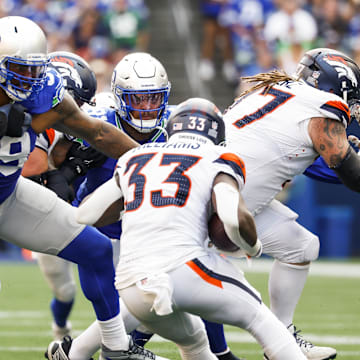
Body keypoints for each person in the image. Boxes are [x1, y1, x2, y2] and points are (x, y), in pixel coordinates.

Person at [76, 97, 308, 360]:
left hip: (132, 283)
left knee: (195, 344)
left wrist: (134, 205)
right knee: (262, 320)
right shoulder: (219, 156)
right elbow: (231, 217)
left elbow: (86, 214)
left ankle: (74, 353)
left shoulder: (134, 156)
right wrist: (252, 247)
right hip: (185, 267)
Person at [52, 52, 243, 360]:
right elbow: (56, 165)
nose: (146, 107)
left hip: (149, 229)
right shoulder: (98, 120)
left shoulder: (178, 124)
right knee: (130, 307)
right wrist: (71, 168)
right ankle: (84, 351)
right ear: (119, 98)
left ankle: (215, 351)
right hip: (101, 230)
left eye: (153, 98)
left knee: (188, 275)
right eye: (137, 99)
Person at [0, 16, 167, 360]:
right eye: (20, 70)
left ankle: (116, 348)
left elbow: (98, 133)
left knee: (95, 250)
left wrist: (150, 162)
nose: (30, 79)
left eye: (35, 70)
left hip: (9, 196)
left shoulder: (43, 89)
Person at [223, 47, 360, 360]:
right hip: (214, 202)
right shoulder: (321, 107)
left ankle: (282, 340)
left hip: (226, 192)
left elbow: (312, 162)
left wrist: (346, 156)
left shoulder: (278, 91)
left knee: (300, 246)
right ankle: (121, 343)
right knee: (189, 280)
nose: (353, 104)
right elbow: (353, 177)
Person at [21, 50, 108, 341]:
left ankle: (114, 339)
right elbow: (40, 179)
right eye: (78, 101)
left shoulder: (85, 122)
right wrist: (74, 165)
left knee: (100, 256)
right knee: (64, 290)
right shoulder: (33, 120)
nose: (81, 110)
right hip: (29, 207)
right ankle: (61, 330)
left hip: (71, 208)